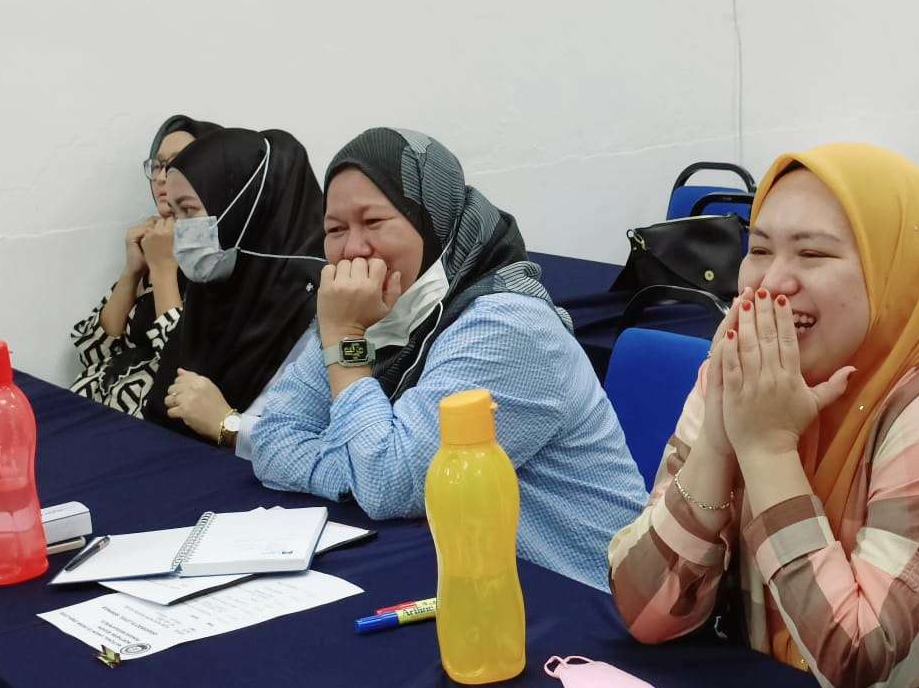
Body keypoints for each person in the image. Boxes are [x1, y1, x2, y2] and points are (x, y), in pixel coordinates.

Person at [609, 143, 919, 688]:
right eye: (759, 249)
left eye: (812, 253)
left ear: (897, 273)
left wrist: (767, 450)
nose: (771, 282)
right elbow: (646, 612)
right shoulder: (750, 375)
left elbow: (858, 665)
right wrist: (717, 439)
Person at [250, 127, 647, 591]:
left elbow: (387, 483)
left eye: (373, 222)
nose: (353, 249)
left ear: (433, 221)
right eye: (335, 230)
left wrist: (346, 340)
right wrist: (358, 469)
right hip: (474, 580)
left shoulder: (507, 325)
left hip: (587, 597)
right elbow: (272, 440)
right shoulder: (368, 309)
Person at [142, 126, 325, 458]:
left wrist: (227, 424)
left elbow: (314, 449)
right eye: (176, 213)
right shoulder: (213, 285)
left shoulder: (314, 306)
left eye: (189, 210)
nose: (180, 229)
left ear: (242, 210)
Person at [71, 114, 221, 416]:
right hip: (93, 404)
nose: (163, 177)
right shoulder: (153, 239)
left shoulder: (215, 254)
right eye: (157, 165)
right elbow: (92, 351)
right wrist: (133, 271)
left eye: (177, 164)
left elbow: (184, 366)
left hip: (151, 420)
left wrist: (164, 268)